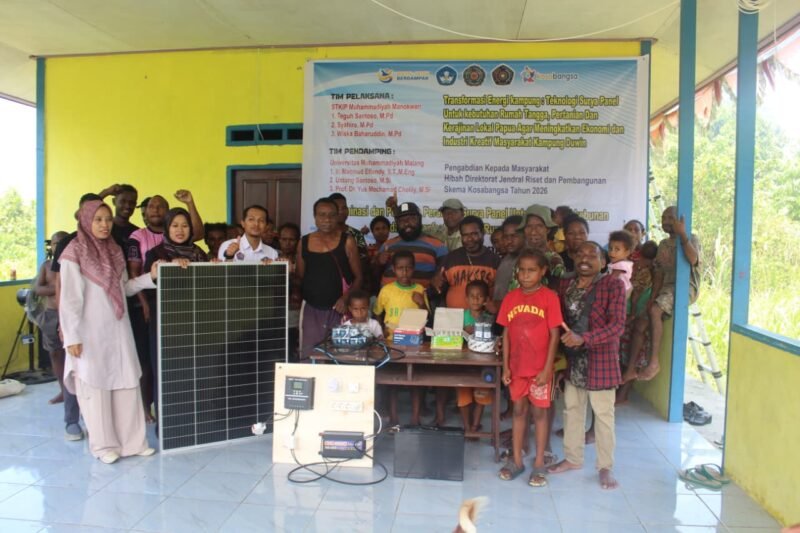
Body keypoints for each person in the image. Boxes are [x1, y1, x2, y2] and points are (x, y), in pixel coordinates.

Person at [59, 200, 158, 464]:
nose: (104, 225)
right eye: (98, 219)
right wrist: (72, 337)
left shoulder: (114, 250)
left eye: (108, 219)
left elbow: (124, 289)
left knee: (126, 381)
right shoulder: (74, 253)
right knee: (96, 387)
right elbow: (69, 300)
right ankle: (103, 447)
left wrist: (150, 277)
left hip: (118, 329)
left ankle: (133, 443)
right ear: (86, 221)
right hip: (89, 333)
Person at [549, 241, 626, 490]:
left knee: (603, 415)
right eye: (580, 254)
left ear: (603, 262)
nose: (584, 259)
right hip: (574, 359)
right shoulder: (566, 285)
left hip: (601, 359)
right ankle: (573, 458)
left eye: (592, 255)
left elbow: (617, 326)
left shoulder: (613, 285)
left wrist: (585, 338)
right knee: (572, 410)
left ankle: (605, 466)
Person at [497, 249, 563, 486]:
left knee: (540, 414)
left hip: (539, 370)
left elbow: (555, 335)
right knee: (518, 412)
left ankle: (539, 463)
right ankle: (516, 461)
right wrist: (505, 367)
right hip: (516, 368)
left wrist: (546, 369)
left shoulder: (549, 297)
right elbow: (505, 335)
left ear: (542, 271)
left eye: (531, 270)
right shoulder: (510, 298)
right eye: (522, 270)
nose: (525, 275)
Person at [143, 207, 209, 416]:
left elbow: (211, 286)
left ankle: (195, 419)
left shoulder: (199, 254)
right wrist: (170, 268)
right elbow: (148, 287)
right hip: (166, 324)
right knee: (167, 372)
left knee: (195, 371)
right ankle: (167, 424)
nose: (180, 230)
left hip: (196, 322)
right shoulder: (156, 254)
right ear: (166, 228)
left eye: (185, 225)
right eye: (175, 225)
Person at [635, 206, 700, 381]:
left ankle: (654, 362)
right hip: (666, 287)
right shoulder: (663, 244)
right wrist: (652, 297)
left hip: (685, 287)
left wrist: (683, 235)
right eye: (663, 218)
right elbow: (659, 273)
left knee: (656, 310)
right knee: (642, 321)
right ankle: (634, 368)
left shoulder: (691, 238)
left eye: (670, 218)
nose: (665, 222)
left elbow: (693, 259)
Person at [35, 231, 86, 442]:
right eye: (56, 243)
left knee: (78, 363)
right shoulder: (48, 266)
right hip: (53, 316)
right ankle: (64, 395)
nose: (59, 246)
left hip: (78, 318)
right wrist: (57, 288)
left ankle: (81, 407)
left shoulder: (77, 262)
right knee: (58, 357)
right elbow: (38, 289)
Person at [296, 198, 363, 357]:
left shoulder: (347, 241)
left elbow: (359, 277)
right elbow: (300, 277)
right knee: (311, 356)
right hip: (312, 309)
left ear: (338, 216)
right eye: (322, 215)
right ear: (315, 217)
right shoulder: (304, 242)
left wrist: (346, 298)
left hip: (339, 310)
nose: (327, 220)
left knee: (340, 356)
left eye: (332, 215)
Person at [373, 250, 427, 425]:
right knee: (393, 381)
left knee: (416, 381)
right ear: (393, 269)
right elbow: (377, 313)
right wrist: (381, 331)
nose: (404, 272)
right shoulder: (386, 290)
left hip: (413, 343)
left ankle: (415, 417)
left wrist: (421, 303)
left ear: (414, 268)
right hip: (391, 342)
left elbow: (427, 316)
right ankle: (393, 416)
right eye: (400, 268)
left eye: (408, 268)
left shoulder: (419, 289)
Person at [432, 215, 500, 311]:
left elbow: (500, 295)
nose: (469, 239)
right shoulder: (451, 258)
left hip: (483, 317)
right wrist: (435, 284)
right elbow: (437, 288)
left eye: (474, 234)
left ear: (483, 233)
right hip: (453, 317)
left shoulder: (494, 260)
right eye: (465, 235)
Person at [618, 240, 658, 400]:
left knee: (631, 354)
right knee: (623, 353)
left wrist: (633, 313)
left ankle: (623, 394)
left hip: (636, 314)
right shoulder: (632, 264)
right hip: (628, 313)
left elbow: (636, 296)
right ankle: (620, 392)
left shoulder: (652, 270)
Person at [376, 202, 447, 288]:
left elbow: (444, 275)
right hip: (388, 295)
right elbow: (374, 275)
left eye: (411, 219)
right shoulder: (387, 245)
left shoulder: (438, 245)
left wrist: (431, 290)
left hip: (423, 295)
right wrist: (378, 263)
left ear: (419, 219)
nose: (406, 223)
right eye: (402, 220)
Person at [458, 280, 495, 436]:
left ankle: (475, 426)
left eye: (479, 296)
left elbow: (494, 336)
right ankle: (467, 426)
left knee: (482, 392)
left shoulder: (489, 317)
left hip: (483, 361)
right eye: (472, 296)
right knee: (463, 393)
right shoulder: (461, 316)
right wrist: (463, 331)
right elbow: (453, 337)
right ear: (466, 298)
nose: (475, 299)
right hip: (464, 362)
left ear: (486, 299)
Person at [387, 195, 464, 251]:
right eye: (446, 213)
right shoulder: (438, 231)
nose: (449, 216)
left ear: (462, 214)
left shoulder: (467, 235)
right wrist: (395, 209)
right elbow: (413, 227)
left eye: (454, 212)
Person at [520, 205, 565, 286]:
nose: (533, 232)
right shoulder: (521, 256)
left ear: (548, 229)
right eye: (529, 226)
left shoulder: (554, 261)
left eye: (539, 226)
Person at [277, 222, 302, 361]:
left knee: (294, 349)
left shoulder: (303, 259)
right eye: (284, 239)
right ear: (279, 239)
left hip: (297, 312)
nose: (287, 243)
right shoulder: (271, 257)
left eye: (291, 240)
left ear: (298, 240)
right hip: (276, 312)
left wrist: (293, 274)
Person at [492, 215, 524, 306]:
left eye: (514, 236)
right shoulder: (506, 259)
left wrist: (498, 306)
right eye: (506, 237)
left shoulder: (530, 261)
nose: (509, 241)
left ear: (525, 234)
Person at [329, 192, 368, 262]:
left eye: (344, 208)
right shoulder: (324, 234)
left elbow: (364, 261)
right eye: (337, 208)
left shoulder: (357, 234)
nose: (341, 211)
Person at [98, 183, 139, 248]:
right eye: (123, 201)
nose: (127, 206)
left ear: (135, 205)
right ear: (114, 201)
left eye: (131, 203)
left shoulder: (137, 233)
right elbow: (86, 212)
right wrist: (106, 192)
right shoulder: (103, 227)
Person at [607, 230, 636, 297]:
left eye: (617, 249)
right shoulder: (623, 263)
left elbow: (611, 280)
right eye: (610, 248)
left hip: (620, 294)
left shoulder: (621, 265)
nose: (612, 252)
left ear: (627, 252)